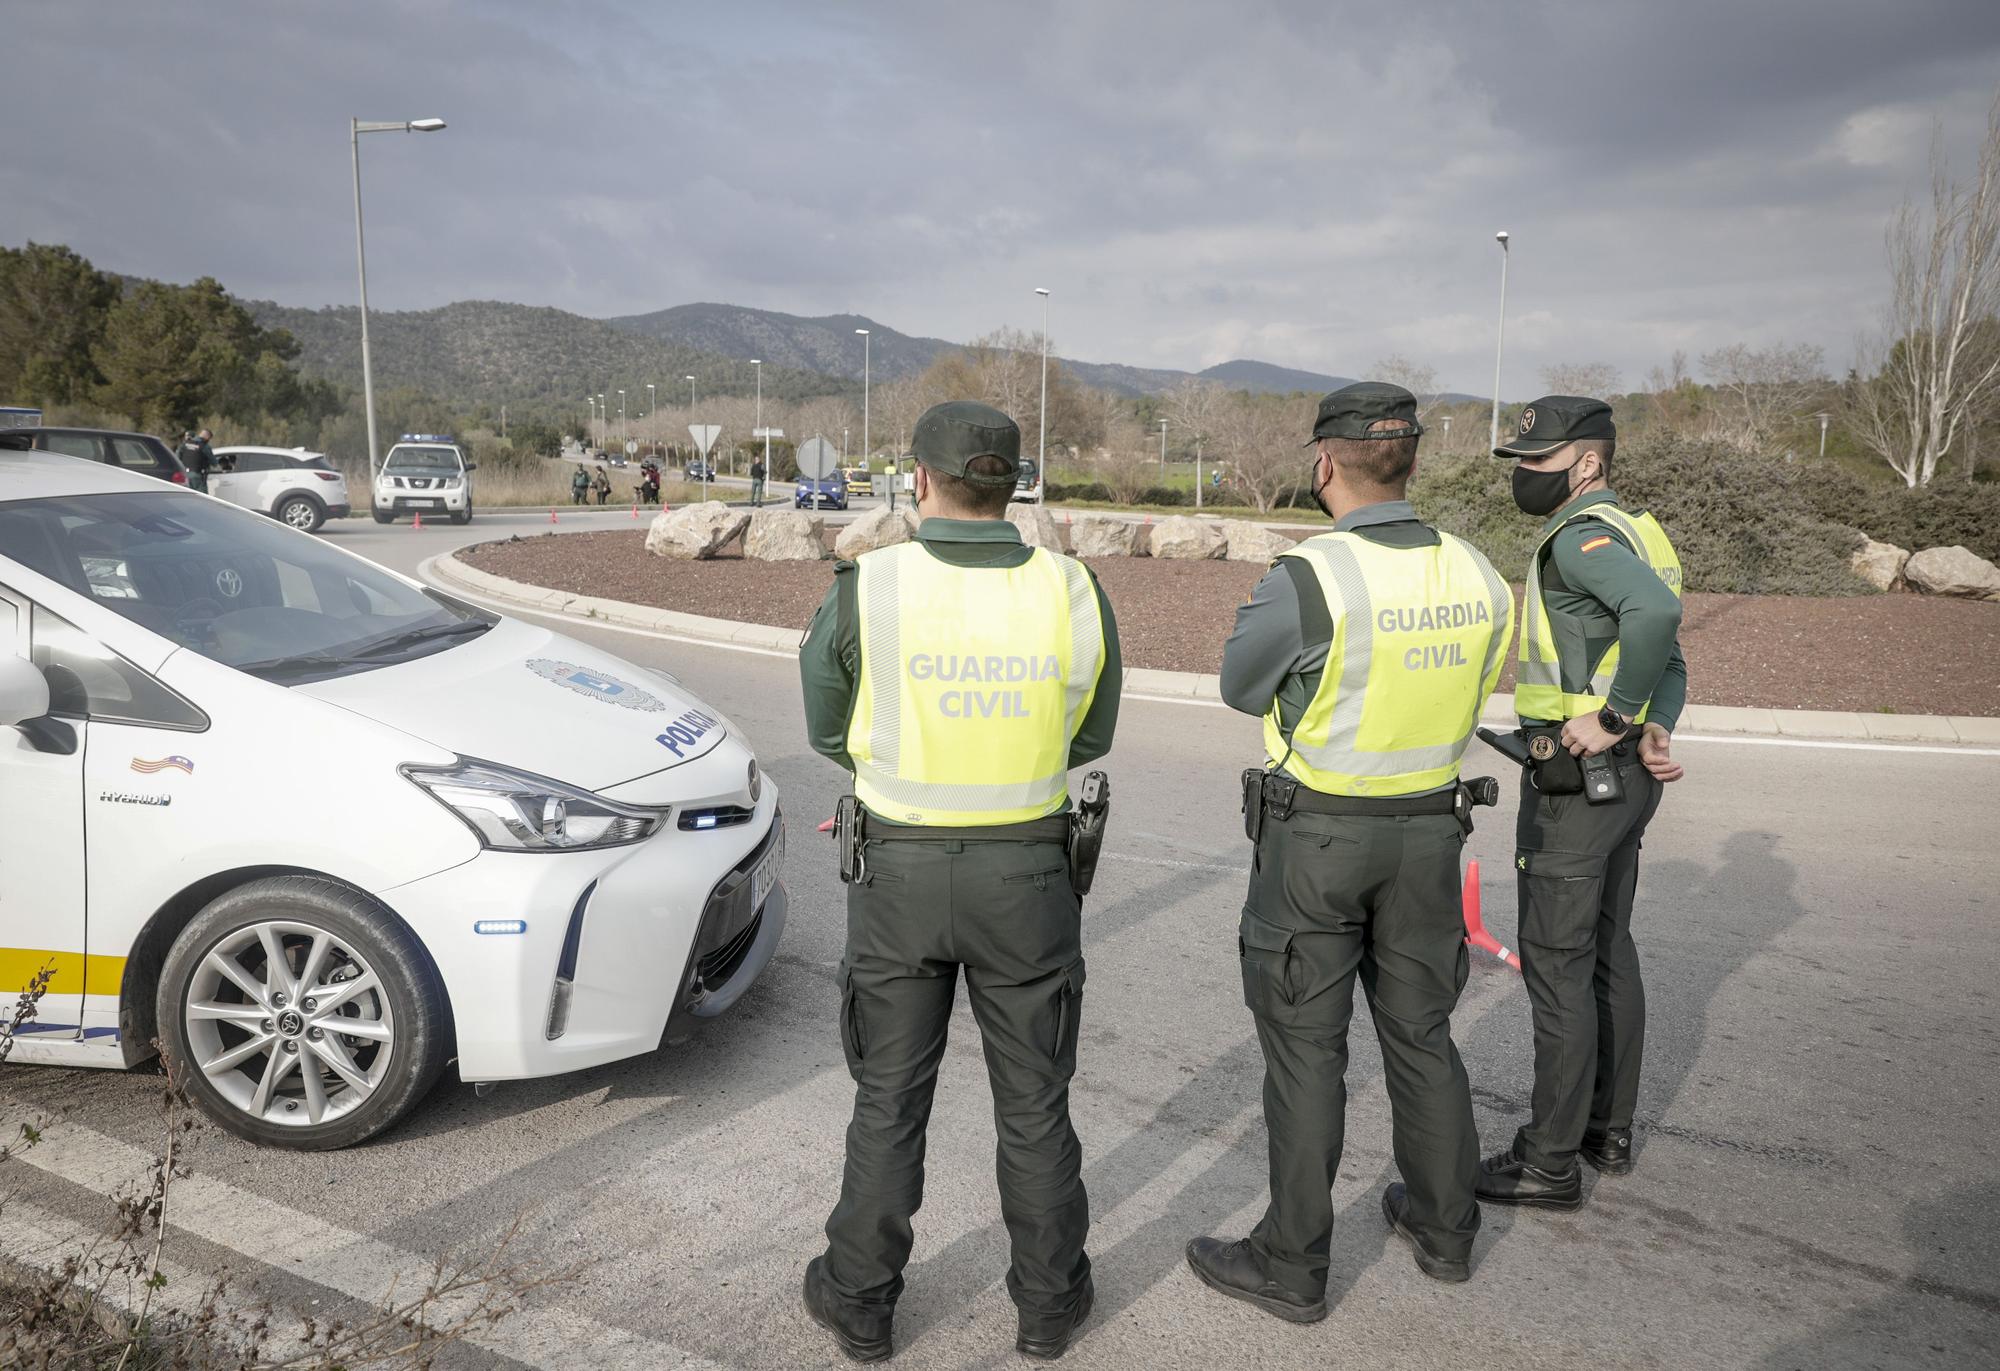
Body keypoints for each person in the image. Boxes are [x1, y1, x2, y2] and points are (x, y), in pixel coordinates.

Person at [799, 401, 1121, 1363]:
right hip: (1028, 871)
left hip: (897, 870)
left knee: (889, 1095)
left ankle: (860, 1299)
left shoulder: (871, 583)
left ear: (919, 479)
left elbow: (826, 725)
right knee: (1035, 1099)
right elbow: (1091, 735)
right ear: (1012, 482)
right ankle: (1050, 1304)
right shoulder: (1072, 587)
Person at [1187, 381, 1514, 1320]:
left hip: (1318, 839)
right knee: (1422, 1032)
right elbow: (1476, 678)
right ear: (1411, 461)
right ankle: (1447, 1228)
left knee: (1305, 1052)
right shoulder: (1479, 572)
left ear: (1324, 464)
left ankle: (1293, 1262)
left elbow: (1241, 688)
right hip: (1429, 834)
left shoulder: (1311, 576)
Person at [1475, 395, 1686, 1211]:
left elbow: (1657, 615)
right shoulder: (1643, 532)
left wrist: (1616, 715)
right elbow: (1670, 645)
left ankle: (1547, 1161)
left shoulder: (1582, 537)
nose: (1526, 475)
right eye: (1522, 461)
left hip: (1580, 784)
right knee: (1605, 949)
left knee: (1558, 965)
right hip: (1628, 784)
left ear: (1588, 463)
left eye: (1540, 461)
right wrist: (1655, 720)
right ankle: (1608, 1129)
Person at [178, 429, 216, 493]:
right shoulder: (204, 446)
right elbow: (214, 462)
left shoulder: (185, 444)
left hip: (184, 475)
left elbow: (177, 457)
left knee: (187, 496)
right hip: (197, 475)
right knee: (202, 497)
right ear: (207, 436)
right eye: (209, 438)